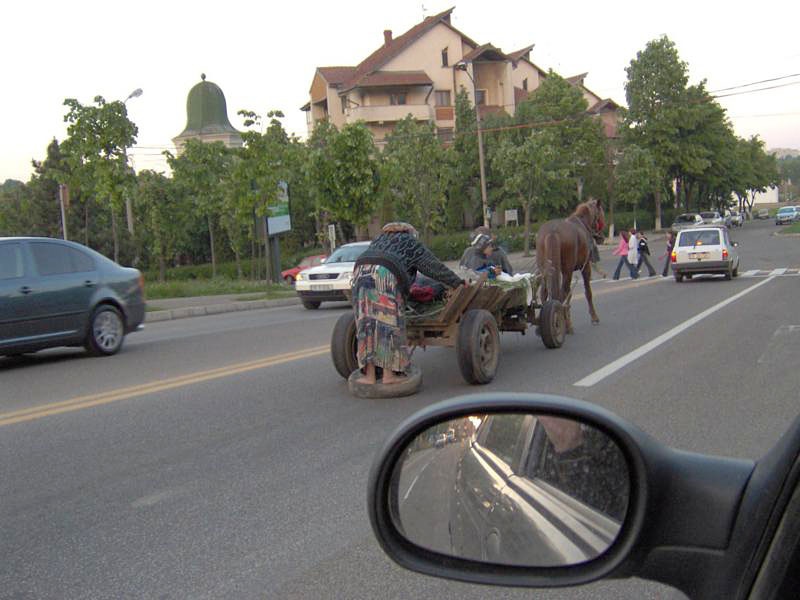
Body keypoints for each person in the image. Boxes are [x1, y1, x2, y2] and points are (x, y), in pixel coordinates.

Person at [352, 222, 463, 385]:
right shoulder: (410, 242)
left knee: (366, 324)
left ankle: (369, 376)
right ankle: (389, 375)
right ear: (408, 232)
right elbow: (434, 268)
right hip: (385, 274)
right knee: (386, 323)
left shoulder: (378, 240)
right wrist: (457, 283)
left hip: (359, 272)